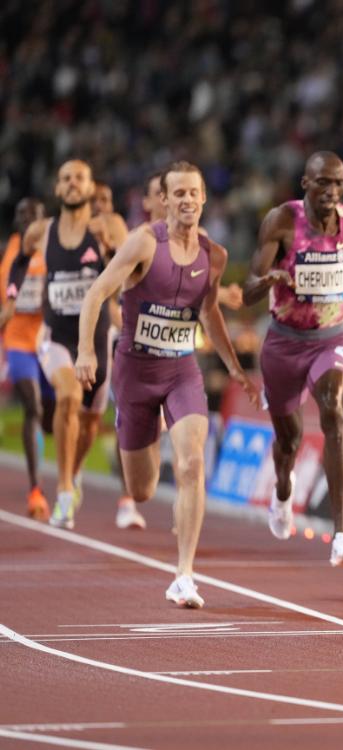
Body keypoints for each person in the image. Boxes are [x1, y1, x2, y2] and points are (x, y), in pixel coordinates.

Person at [76, 160, 261, 608]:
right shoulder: (143, 242)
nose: (186, 201)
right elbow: (97, 293)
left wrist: (234, 367)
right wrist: (86, 350)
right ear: (164, 200)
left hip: (182, 370)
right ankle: (142, 427)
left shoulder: (213, 255)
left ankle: (184, 576)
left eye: (194, 193)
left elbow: (210, 313)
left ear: (203, 199)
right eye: (177, 193)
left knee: (192, 464)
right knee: (141, 489)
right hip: (135, 374)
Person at [243, 151, 343, 568]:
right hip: (284, 344)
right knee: (287, 441)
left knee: (333, 410)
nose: (332, 192)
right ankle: (283, 490)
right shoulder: (282, 222)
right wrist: (268, 278)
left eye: (339, 184)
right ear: (305, 184)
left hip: (331, 339)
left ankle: (342, 534)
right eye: (323, 183)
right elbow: (249, 287)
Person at [7, 159, 128, 528]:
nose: (72, 184)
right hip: (56, 338)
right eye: (65, 179)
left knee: (90, 423)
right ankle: (61, 492)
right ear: (57, 189)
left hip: (96, 337)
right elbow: (19, 263)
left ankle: (73, 476)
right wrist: (12, 299)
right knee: (68, 396)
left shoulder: (110, 226)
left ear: (91, 188)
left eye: (79, 178)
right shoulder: (42, 232)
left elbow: (135, 271)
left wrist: (110, 255)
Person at [91, 177, 147, 530]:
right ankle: (70, 479)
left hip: (115, 336)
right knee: (83, 419)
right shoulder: (71, 236)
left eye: (107, 199)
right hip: (76, 336)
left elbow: (127, 286)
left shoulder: (123, 236)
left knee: (125, 417)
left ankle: (127, 499)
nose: (101, 205)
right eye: (96, 200)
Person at [0, 197, 52, 519]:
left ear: (44, 220)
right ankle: (36, 490)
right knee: (33, 406)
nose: (27, 220)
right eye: (21, 215)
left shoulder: (56, 250)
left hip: (50, 341)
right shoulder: (9, 256)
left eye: (33, 215)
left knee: (54, 413)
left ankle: (60, 475)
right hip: (18, 342)